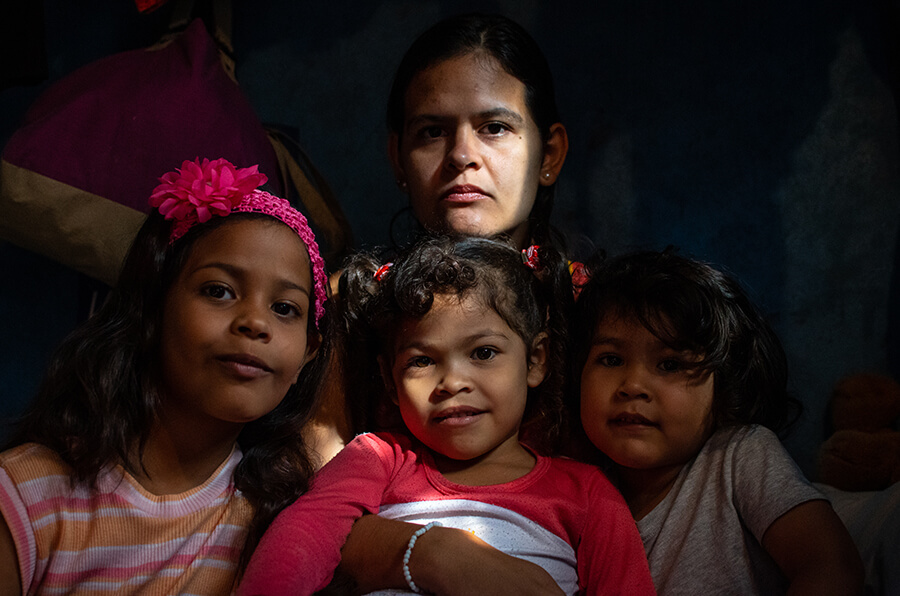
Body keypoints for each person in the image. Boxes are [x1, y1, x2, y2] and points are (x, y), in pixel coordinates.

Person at [238, 236, 655, 596]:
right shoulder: (379, 458)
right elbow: (303, 535)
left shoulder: (587, 494)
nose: (453, 382)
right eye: (422, 361)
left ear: (535, 360)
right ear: (389, 378)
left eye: (484, 353)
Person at [0, 158, 329, 595]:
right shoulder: (28, 496)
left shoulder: (280, 515)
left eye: (285, 308)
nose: (255, 322)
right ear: (152, 309)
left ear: (309, 352)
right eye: (219, 291)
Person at [571, 250, 864, 594]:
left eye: (670, 365)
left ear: (724, 385)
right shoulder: (576, 486)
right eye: (611, 359)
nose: (633, 385)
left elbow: (831, 566)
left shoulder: (739, 456)